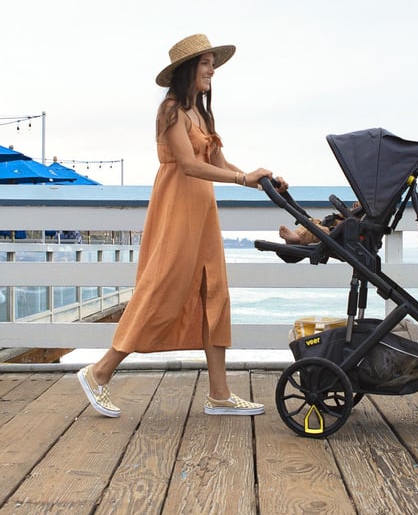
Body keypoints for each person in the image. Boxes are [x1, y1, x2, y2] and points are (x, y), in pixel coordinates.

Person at [77, 33, 288, 418]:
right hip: (176, 208)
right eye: (206, 64)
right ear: (188, 69)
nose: (212, 71)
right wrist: (242, 179)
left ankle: (219, 394)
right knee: (161, 286)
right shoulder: (171, 110)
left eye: (212, 64)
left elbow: (218, 163)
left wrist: (260, 181)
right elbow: (189, 165)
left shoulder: (202, 114)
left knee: (214, 292)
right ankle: (99, 372)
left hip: (203, 213)